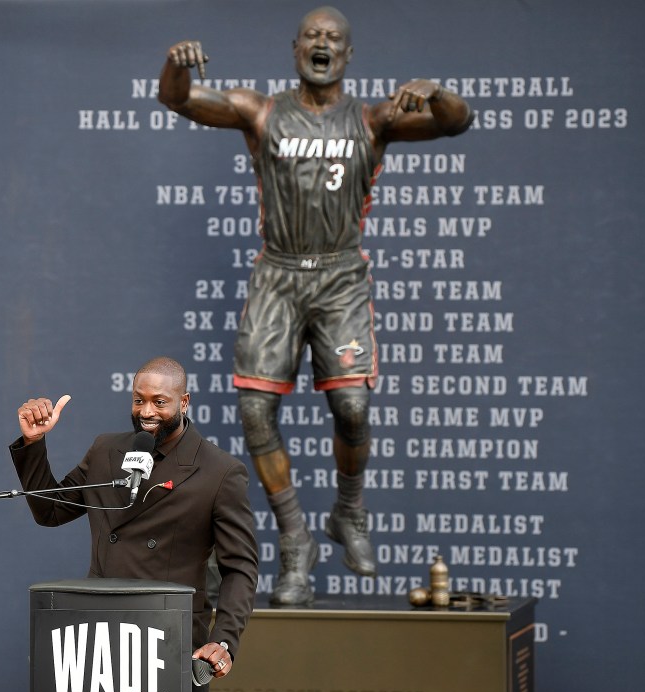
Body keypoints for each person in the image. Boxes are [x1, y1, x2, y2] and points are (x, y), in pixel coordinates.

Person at [157, 7, 474, 605]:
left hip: (340, 277)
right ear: (295, 47)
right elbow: (179, 99)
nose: (322, 43)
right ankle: (295, 539)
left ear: (348, 55)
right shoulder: (262, 111)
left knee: (352, 406)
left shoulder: (375, 118)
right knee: (254, 413)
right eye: (313, 35)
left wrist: (439, 91)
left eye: (334, 38)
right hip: (278, 274)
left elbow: (456, 123)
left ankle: (349, 511)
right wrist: (174, 66)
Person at [10, 356, 258, 692]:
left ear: (184, 401)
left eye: (159, 402)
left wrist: (224, 640)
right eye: (138, 399)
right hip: (98, 637)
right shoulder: (106, 449)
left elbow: (240, 568)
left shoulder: (220, 471)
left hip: (171, 639)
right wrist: (34, 445)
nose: (146, 412)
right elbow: (51, 511)